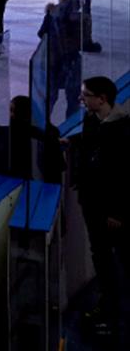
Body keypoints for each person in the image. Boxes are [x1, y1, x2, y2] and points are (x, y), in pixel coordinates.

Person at [62, 77, 130, 333]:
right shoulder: (92, 120)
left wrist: (118, 212)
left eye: (86, 95)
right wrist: (73, 142)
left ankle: (115, 312)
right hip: (92, 202)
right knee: (100, 256)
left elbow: (124, 176)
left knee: (122, 257)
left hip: (113, 212)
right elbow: (92, 143)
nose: (82, 99)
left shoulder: (123, 131)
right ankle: (109, 304)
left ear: (102, 99)